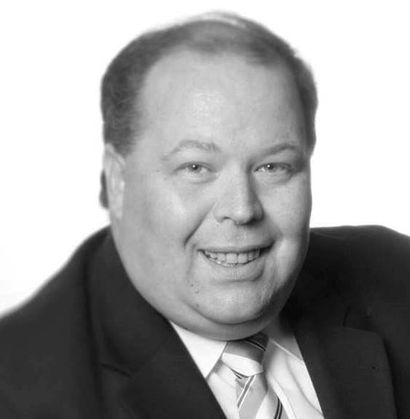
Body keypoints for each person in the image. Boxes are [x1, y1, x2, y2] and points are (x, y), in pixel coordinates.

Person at [0, 12, 409, 419]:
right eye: (196, 167)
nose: (241, 209)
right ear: (118, 180)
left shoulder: (395, 275)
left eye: (273, 166)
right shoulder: (20, 392)